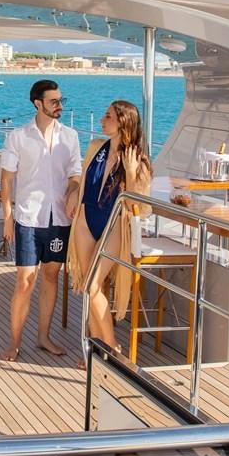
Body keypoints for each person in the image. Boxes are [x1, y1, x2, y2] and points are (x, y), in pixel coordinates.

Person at [0, 79, 81, 362]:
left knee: (50, 276)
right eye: (54, 101)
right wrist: (7, 217)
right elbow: (7, 179)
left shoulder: (70, 136)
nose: (59, 106)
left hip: (59, 219)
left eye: (61, 101)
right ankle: (14, 342)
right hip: (28, 217)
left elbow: (75, 175)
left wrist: (72, 191)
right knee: (24, 281)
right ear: (38, 103)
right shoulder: (18, 137)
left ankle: (44, 337)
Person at [66, 99, 153, 362]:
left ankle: (113, 346)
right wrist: (73, 195)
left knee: (93, 286)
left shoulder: (138, 160)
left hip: (113, 223)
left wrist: (129, 171)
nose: (102, 121)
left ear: (123, 123)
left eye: (108, 117)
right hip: (86, 218)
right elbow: (83, 180)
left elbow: (137, 205)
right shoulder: (96, 147)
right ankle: (95, 349)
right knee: (88, 286)